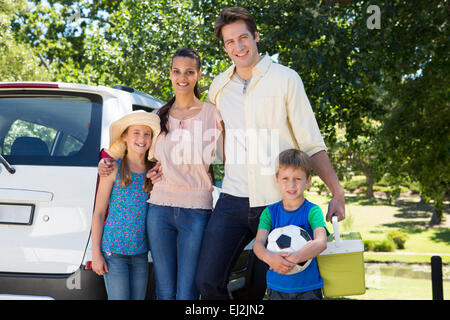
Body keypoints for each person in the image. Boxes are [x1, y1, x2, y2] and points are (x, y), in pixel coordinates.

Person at [190, 7, 346, 299]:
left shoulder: (286, 79)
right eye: (229, 42)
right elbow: (208, 143)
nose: (238, 47)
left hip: (278, 203)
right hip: (233, 198)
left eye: (243, 38)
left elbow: (311, 142)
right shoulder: (218, 87)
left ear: (256, 36)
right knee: (208, 281)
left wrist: (337, 192)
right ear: (223, 47)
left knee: (267, 287)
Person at [99, 48, 224, 300]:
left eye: (189, 72)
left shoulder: (212, 114)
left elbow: (230, 159)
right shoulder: (157, 117)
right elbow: (132, 153)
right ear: (170, 74)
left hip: (197, 211)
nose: (183, 77)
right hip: (159, 210)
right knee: (164, 290)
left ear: (199, 75)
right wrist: (105, 163)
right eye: (177, 71)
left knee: (187, 292)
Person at [91, 110, 161, 300]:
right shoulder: (112, 168)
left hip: (140, 253)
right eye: (136, 133)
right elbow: (98, 212)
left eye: (147, 134)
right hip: (114, 253)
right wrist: (96, 253)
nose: (142, 138)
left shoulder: (153, 172)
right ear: (125, 136)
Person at [253, 149, 328, 300]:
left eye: (298, 179)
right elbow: (258, 244)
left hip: (308, 289)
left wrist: (294, 258)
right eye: (285, 178)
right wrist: (269, 258)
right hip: (276, 288)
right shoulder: (269, 213)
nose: (291, 185)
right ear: (277, 179)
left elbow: (321, 242)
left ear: (308, 180)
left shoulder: (312, 211)